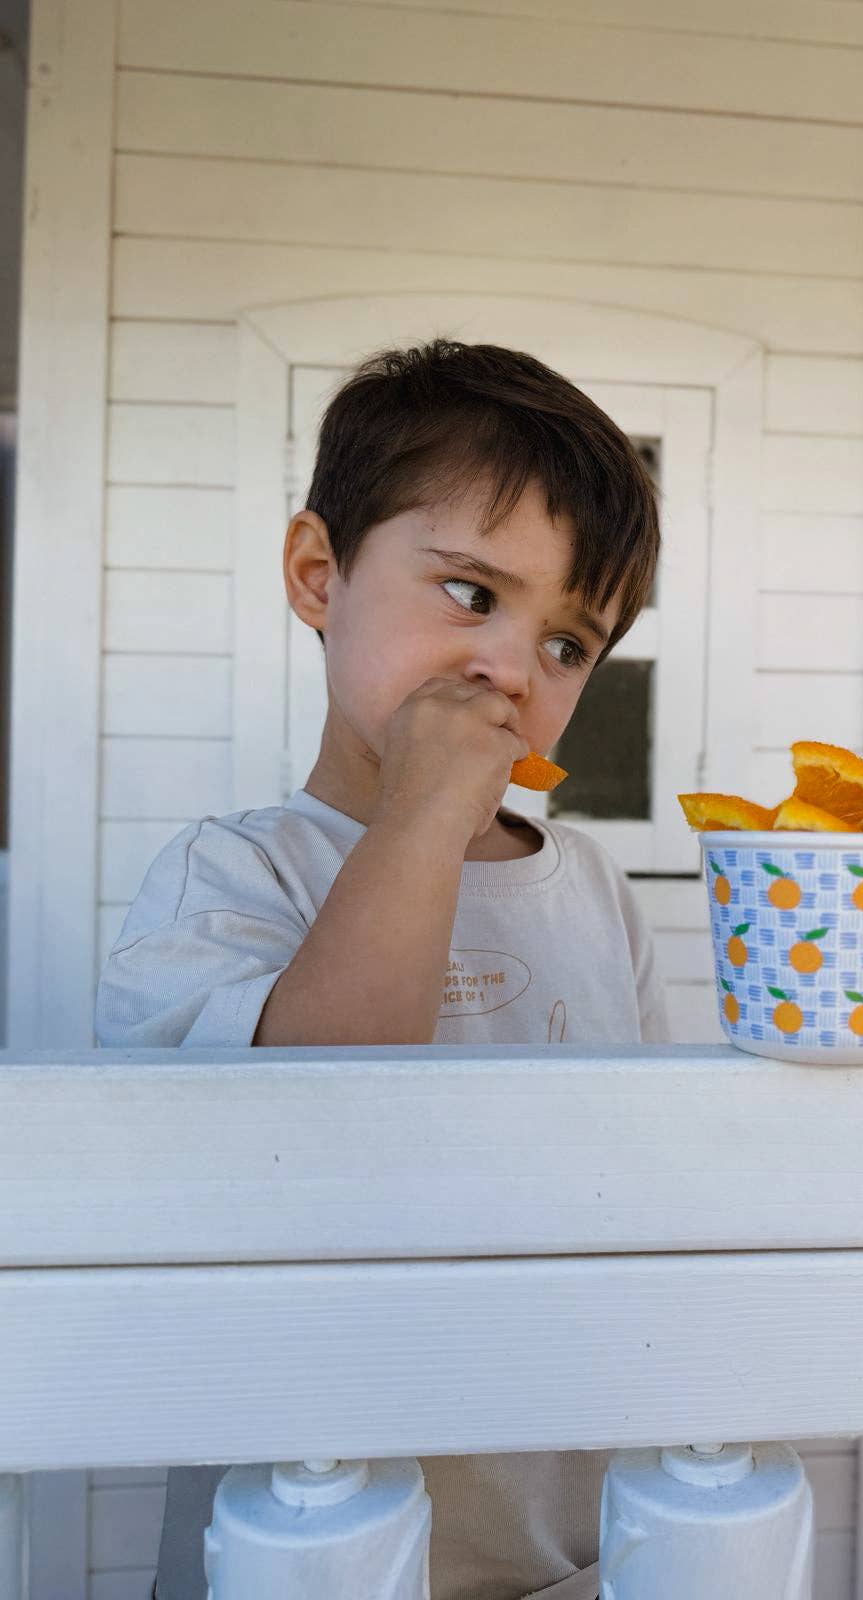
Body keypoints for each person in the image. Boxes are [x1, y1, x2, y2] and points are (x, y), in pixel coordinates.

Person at [94, 339, 670, 1600]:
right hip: (299, 1546)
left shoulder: (597, 897)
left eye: (571, 644)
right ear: (318, 574)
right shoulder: (233, 881)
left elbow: (657, 1181)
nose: (513, 670)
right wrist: (421, 816)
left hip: (564, 1553)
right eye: (472, 595)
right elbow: (307, 1124)